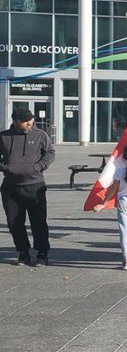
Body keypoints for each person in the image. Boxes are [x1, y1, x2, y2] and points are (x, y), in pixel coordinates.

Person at [0, 107, 55, 266]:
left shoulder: (40, 135)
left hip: (35, 186)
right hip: (10, 187)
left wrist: (39, 166)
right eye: (26, 122)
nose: (30, 123)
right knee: (14, 223)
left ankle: (42, 253)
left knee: (38, 222)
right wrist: (4, 168)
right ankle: (23, 252)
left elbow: (50, 153)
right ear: (16, 121)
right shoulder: (3, 137)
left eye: (31, 120)